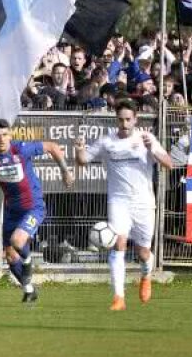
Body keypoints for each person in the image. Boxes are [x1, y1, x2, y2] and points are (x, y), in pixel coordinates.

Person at [74, 99, 172, 310]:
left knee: (143, 251)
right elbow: (83, 160)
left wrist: (152, 150)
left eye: (128, 119)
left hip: (144, 202)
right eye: (121, 120)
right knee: (119, 244)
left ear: (135, 119)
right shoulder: (107, 141)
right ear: (116, 120)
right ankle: (119, 297)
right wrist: (79, 149)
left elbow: (169, 163)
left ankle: (146, 276)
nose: (124, 124)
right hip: (118, 201)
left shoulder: (146, 138)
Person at [0, 118, 74, 304]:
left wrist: (65, 171)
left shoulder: (21, 149)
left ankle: (29, 260)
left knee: (17, 241)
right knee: (11, 256)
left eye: (5, 135)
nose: (1, 139)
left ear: (10, 135)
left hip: (33, 207)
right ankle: (29, 291)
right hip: (11, 211)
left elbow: (53, 147)